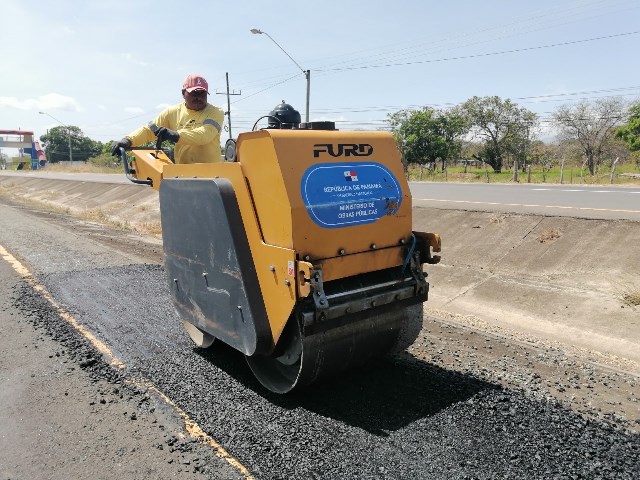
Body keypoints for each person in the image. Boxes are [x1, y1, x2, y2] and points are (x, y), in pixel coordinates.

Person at [112, 74, 225, 164]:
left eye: (203, 93)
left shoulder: (215, 112)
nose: (199, 97)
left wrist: (175, 135)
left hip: (211, 174)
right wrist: (128, 140)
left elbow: (204, 135)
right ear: (183, 93)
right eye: (194, 93)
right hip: (182, 173)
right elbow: (150, 130)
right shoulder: (172, 112)